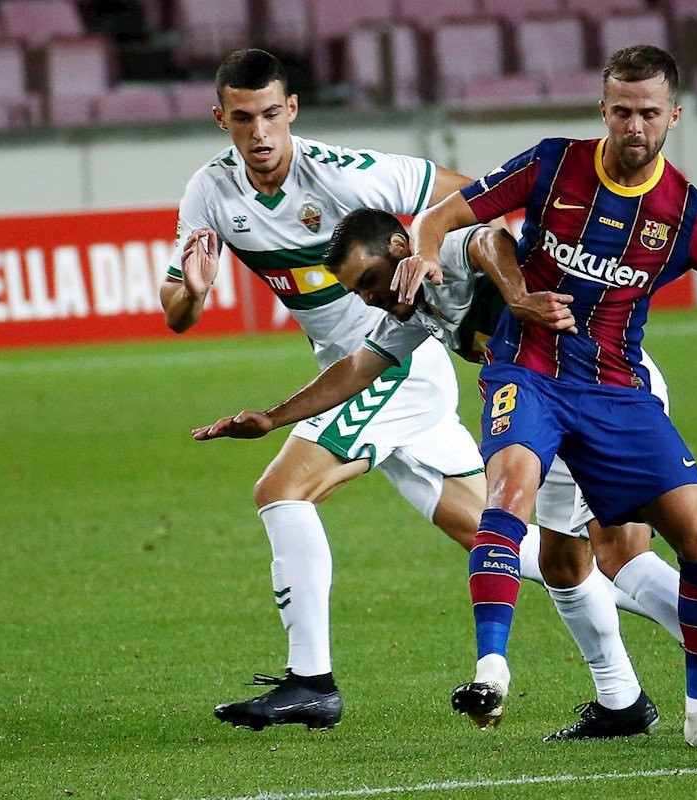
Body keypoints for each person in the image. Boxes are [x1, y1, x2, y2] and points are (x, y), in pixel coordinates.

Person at [393, 44, 697, 748]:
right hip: (530, 374)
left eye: (649, 112)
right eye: (622, 111)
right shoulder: (552, 163)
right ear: (603, 110)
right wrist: (427, 249)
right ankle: (494, 671)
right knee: (513, 495)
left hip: (618, 391)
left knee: (696, 534)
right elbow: (450, 214)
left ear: (674, 115)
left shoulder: (687, 213)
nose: (635, 126)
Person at [193, 208, 697, 744]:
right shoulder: (410, 311)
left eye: (371, 281)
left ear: (403, 248)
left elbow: (490, 238)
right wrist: (271, 419)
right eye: (357, 292)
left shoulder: (442, 253)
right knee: (561, 562)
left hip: (600, 393)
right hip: (542, 408)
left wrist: (519, 296)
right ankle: (623, 703)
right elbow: (356, 369)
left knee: (620, 558)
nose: (370, 299)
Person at [159, 48, 494, 732]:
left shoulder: (344, 173)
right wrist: (193, 293)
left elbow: (477, 197)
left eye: (272, 115)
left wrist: (426, 247)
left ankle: (311, 681)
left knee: (280, 490)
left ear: (293, 111)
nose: (260, 133)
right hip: (355, 375)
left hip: (394, 366)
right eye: (243, 118)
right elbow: (176, 311)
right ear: (220, 118)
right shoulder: (210, 192)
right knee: (504, 541)